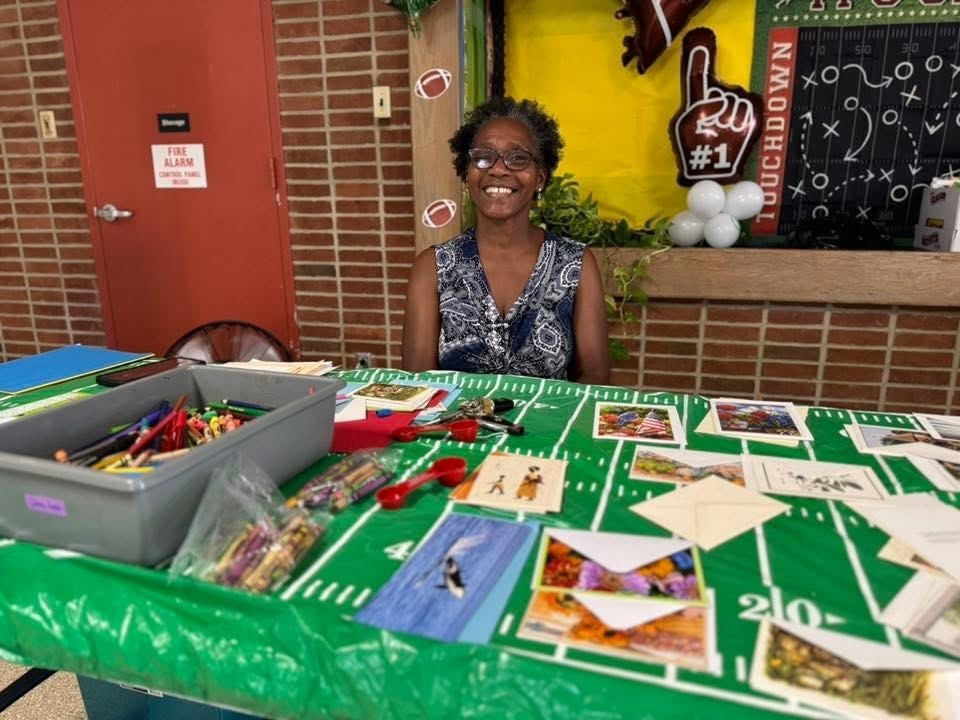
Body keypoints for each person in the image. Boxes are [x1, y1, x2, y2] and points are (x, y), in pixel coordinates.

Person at [401, 96, 610, 384]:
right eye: (483, 157)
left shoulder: (575, 265)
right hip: (452, 416)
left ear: (540, 178)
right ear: (467, 173)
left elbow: (594, 383)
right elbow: (418, 387)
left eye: (518, 158)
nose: (498, 169)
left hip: (552, 415)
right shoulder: (433, 267)